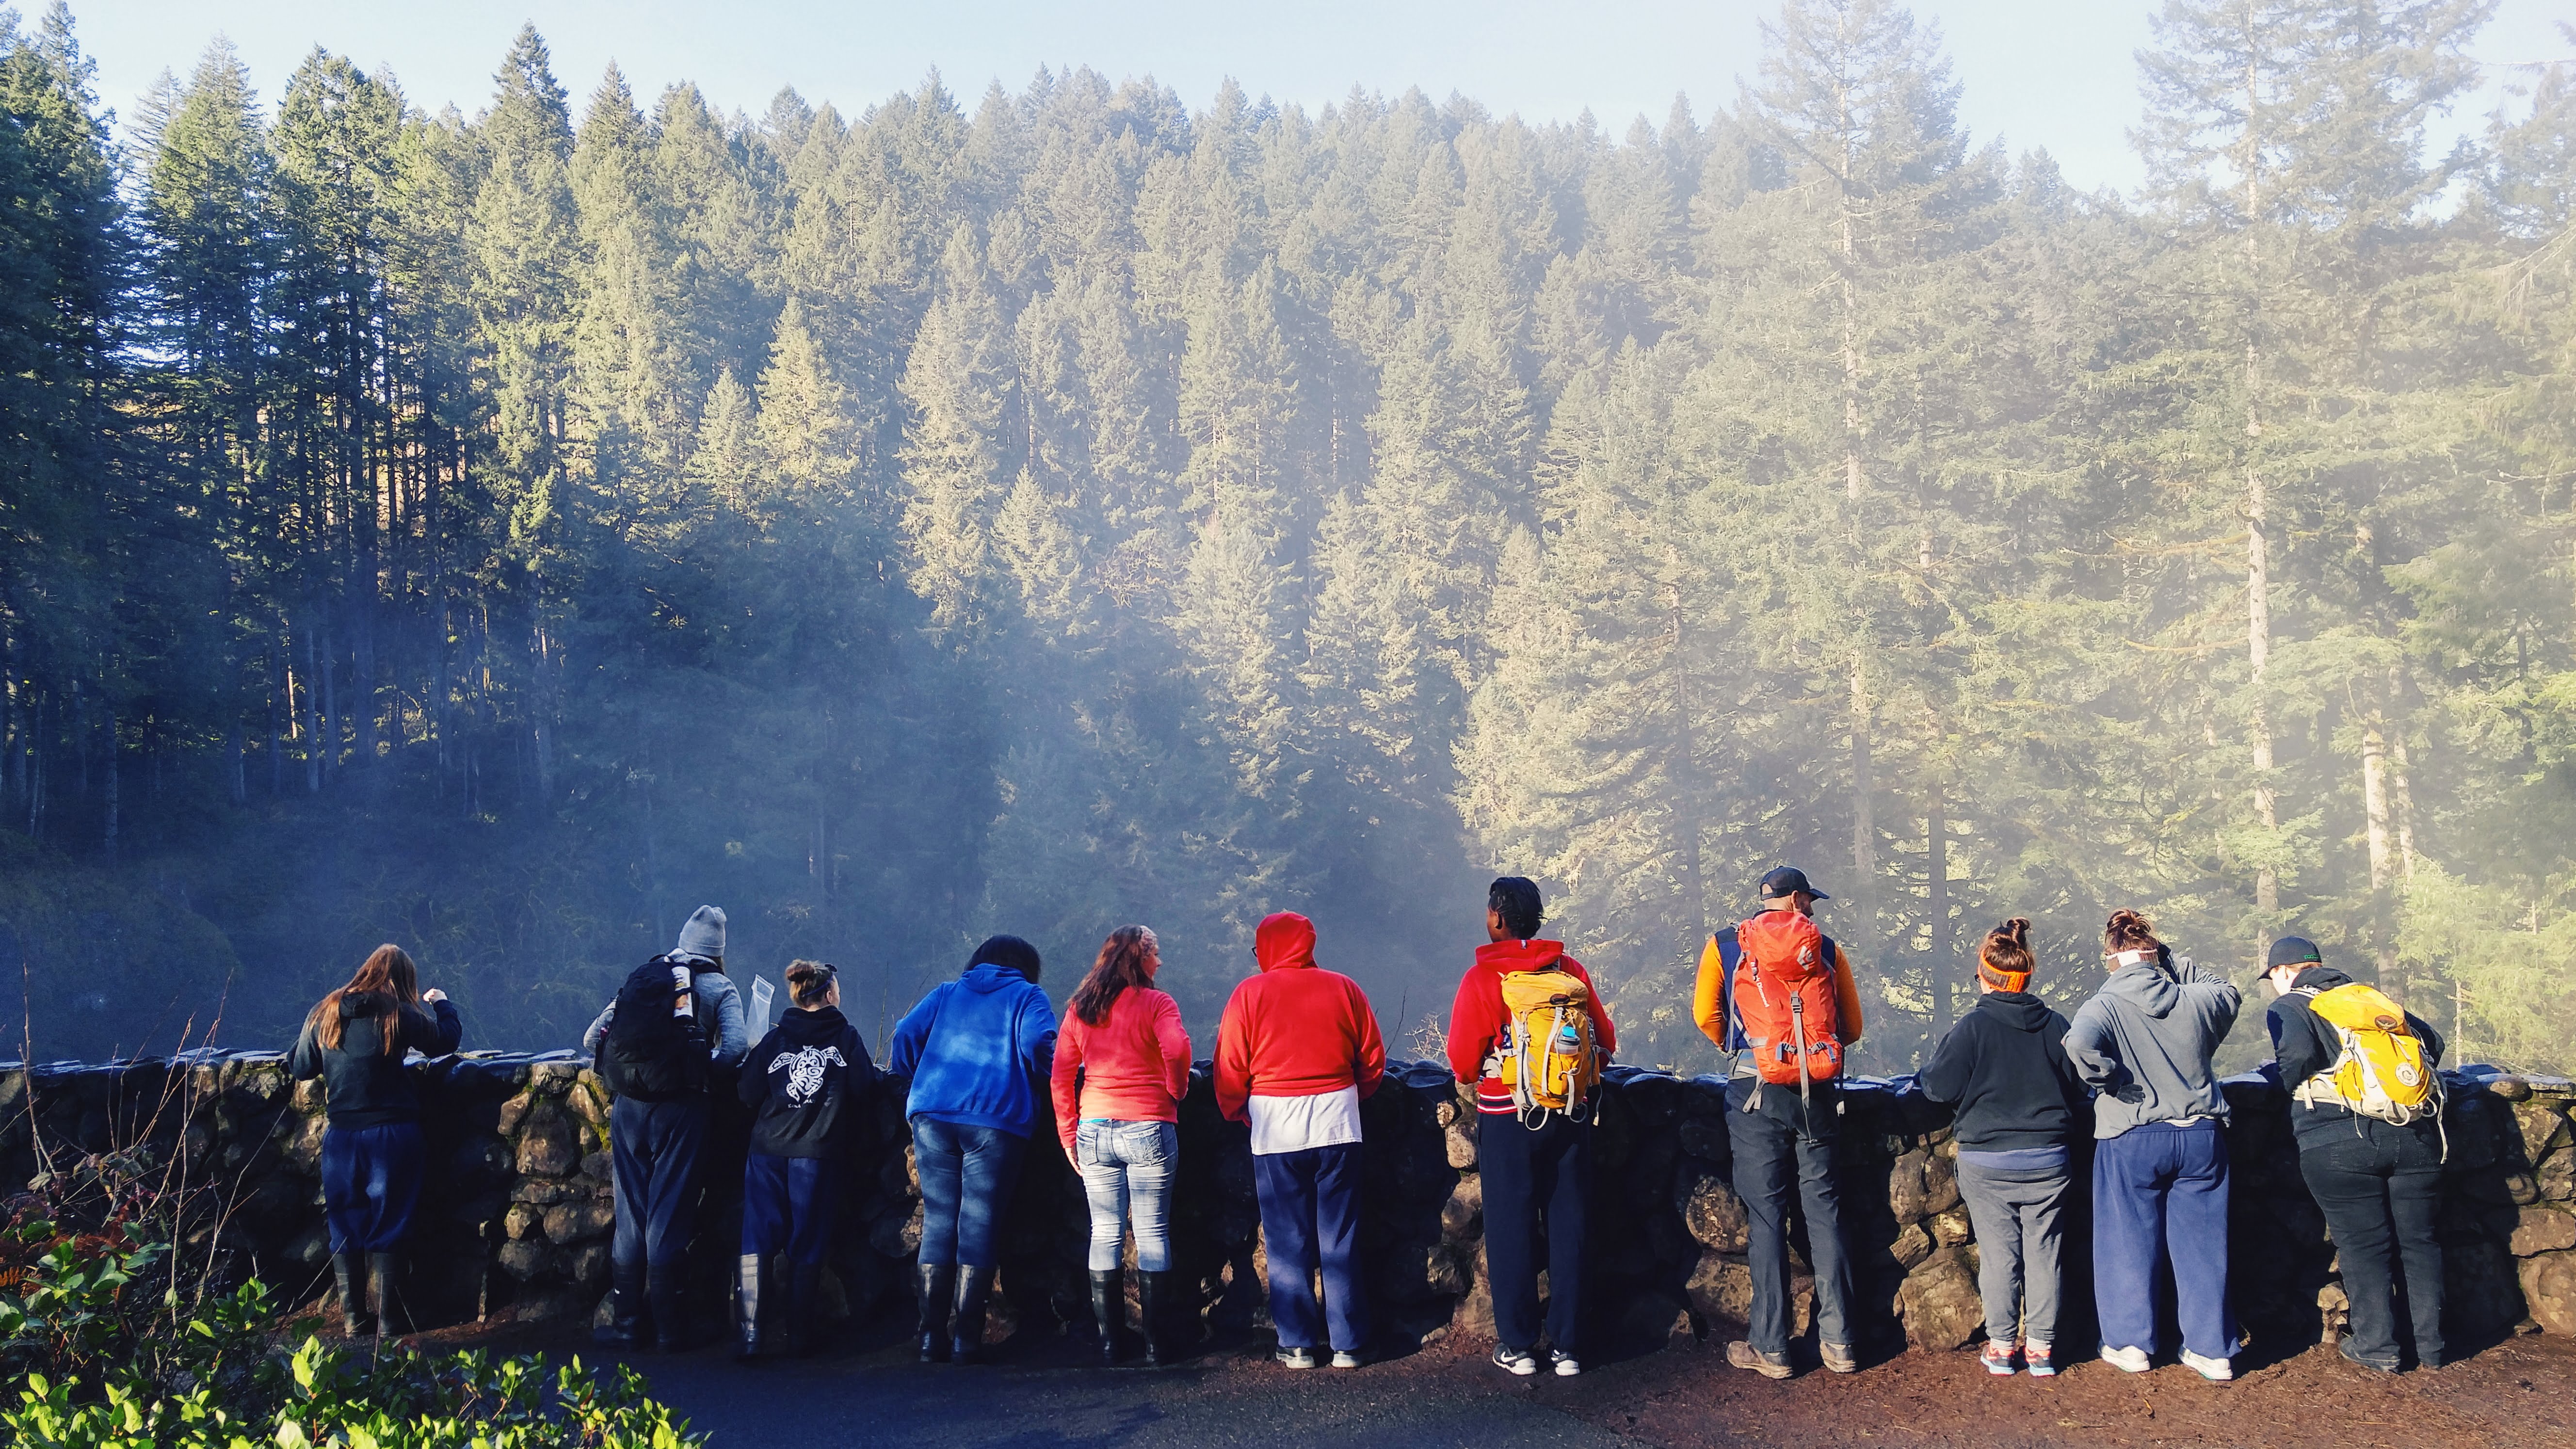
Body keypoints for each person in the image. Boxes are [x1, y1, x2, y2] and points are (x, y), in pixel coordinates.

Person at [1693, 866, 1866, 1379]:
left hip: (1753, 1093)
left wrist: (1747, 1052)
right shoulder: (1827, 950)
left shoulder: (1724, 945)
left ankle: (1770, 1347)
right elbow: (1850, 1027)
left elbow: (1706, 1015)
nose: (1811, 909)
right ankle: (1839, 1343)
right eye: (1809, 900)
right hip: (1816, 1095)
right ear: (1794, 898)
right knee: (1824, 1211)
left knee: (1765, 1217)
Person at [1446, 876, 1616, 1378]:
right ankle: (1568, 1347)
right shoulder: (1568, 971)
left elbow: (1461, 1062)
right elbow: (1604, 1039)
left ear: (1497, 917)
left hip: (1506, 1116)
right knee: (1570, 1224)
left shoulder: (1482, 979)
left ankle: (1518, 1345)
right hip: (1568, 1113)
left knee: (1509, 1227)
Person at [2064, 908, 2241, 1381]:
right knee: (2203, 1248)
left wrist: (2108, 1078)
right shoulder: (2196, 999)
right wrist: (2172, 959)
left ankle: (2130, 1345)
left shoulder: (2101, 1006)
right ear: (2152, 954)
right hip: (2201, 1137)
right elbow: (2227, 990)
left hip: (2131, 1136)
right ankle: (2211, 1351)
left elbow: (2077, 1046)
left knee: (2126, 1241)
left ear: (2110, 959)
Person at [2261, 936, 2448, 1372]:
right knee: (2420, 1243)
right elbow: (2433, 1043)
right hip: (2415, 1135)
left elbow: (2299, 1054)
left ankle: (2378, 1348)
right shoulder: (2369, 1000)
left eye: (2273, 977)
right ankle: (2433, 1349)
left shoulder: (2290, 1006)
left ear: (2285, 971)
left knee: (2365, 1247)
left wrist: (2281, 1085)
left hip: (2338, 1142)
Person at [1213, 911, 1386, 1370]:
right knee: (1340, 1235)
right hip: (1337, 1122)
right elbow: (1372, 1058)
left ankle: (1296, 1344)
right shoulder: (1344, 988)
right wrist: (1354, 1094)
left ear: (1267, 949)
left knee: (1286, 1238)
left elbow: (1231, 1066)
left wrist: (1237, 1110)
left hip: (1275, 1126)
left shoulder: (1249, 995)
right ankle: (1348, 1343)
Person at [1917, 918, 2086, 1378]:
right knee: (2044, 1251)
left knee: (1999, 1256)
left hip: (1987, 1162)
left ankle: (2001, 1348)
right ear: (2027, 976)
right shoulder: (2056, 1026)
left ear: (1985, 977)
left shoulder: (1973, 1028)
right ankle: (2043, 1351)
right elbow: (2078, 1086)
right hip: (2049, 1159)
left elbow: (1937, 1088)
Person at [885, 934, 1058, 1364]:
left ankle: (930, 1339)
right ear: (1025, 965)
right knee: (977, 1225)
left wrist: (911, 1078)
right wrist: (1040, 1081)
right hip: (995, 1121)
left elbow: (905, 1033)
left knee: (940, 1223)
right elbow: (1039, 1044)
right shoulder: (1028, 996)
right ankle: (966, 1340)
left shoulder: (948, 992)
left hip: (933, 1115)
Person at [583, 904, 750, 1351]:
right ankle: (670, 1331)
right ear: (718, 950)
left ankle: (627, 1326)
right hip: (682, 1112)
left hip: (628, 1109)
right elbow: (735, 1049)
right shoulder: (718, 986)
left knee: (631, 1216)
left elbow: (590, 1039)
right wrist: (701, 1070)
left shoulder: (649, 978)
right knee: (669, 1214)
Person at [290, 943, 464, 1337]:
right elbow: (445, 1042)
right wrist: (444, 1004)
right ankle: (389, 1321)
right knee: (391, 1220)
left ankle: (353, 1319)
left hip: (341, 1137)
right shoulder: (397, 1014)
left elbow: (301, 1066)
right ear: (403, 981)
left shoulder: (326, 1011)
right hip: (392, 1134)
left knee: (344, 1223)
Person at [1052, 925, 1191, 1366]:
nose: (1161, 962)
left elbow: (1060, 1076)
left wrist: (1068, 1133)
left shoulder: (1082, 1008)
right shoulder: (1157, 1003)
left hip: (1094, 1129)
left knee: (1105, 1232)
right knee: (1152, 1233)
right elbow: (1178, 1049)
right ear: (1140, 958)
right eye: (1156, 954)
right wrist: (1176, 1088)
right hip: (1148, 1125)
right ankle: (1156, 1345)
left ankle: (1111, 1344)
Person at [734, 960, 873, 1360]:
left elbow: (747, 1090)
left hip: (767, 1150)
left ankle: (750, 1337)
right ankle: (799, 1338)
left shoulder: (776, 1039)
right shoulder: (845, 1038)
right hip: (817, 1153)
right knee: (807, 1241)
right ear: (829, 994)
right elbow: (865, 1087)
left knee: (756, 1240)